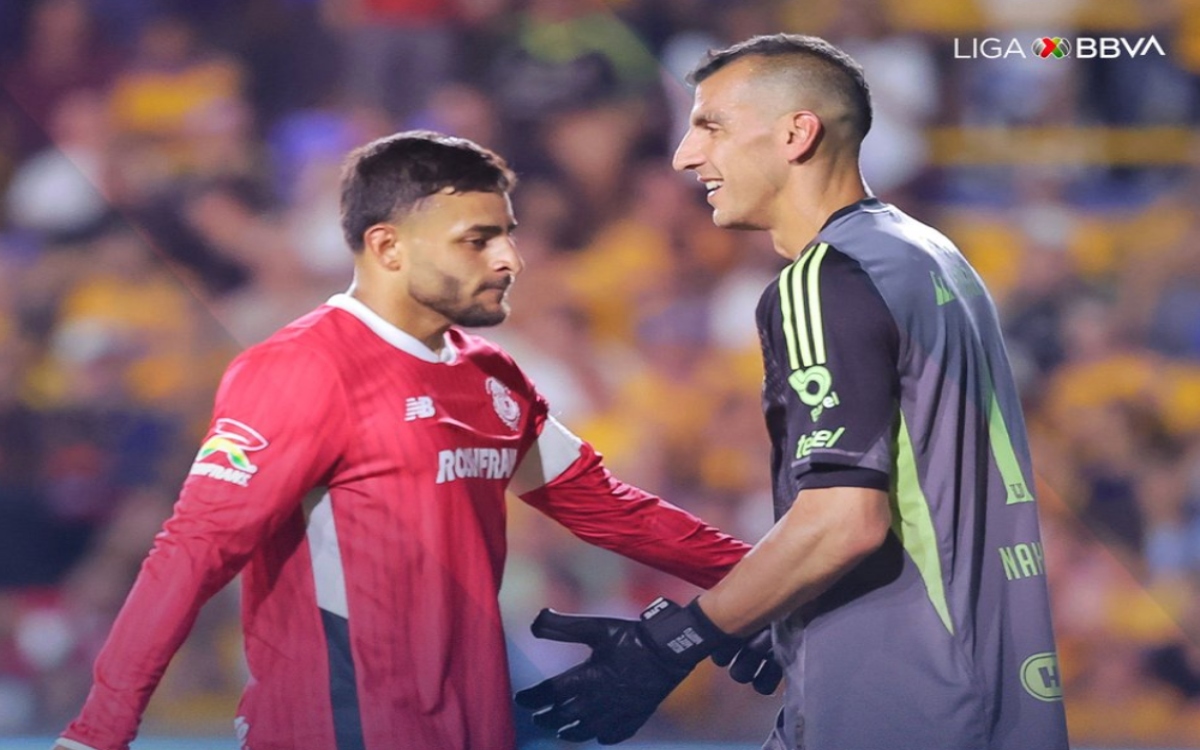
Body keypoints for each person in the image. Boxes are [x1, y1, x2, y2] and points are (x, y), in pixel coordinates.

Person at [51, 131, 762, 750]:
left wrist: (775, 581)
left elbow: (612, 509)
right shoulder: (302, 369)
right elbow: (193, 552)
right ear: (387, 246)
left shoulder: (491, 376)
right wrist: (99, 730)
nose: (508, 260)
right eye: (477, 240)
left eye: (506, 234)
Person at [516, 34, 1070, 750]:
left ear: (796, 134)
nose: (685, 155)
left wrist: (674, 643)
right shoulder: (932, 256)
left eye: (711, 126)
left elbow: (845, 520)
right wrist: (772, 608)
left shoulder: (823, 278)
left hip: (896, 704)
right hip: (989, 693)